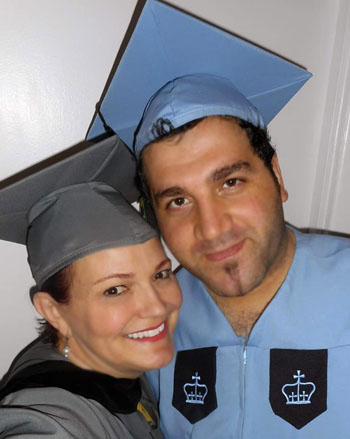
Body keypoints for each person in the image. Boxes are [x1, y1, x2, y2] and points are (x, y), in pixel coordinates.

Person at [129, 73, 350, 438]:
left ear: (276, 176)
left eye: (230, 182)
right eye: (178, 201)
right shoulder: (154, 320)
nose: (212, 228)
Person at [0, 136, 182, 438]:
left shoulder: (111, 359)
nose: (157, 306)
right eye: (115, 289)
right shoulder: (48, 413)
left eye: (161, 275)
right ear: (54, 312)